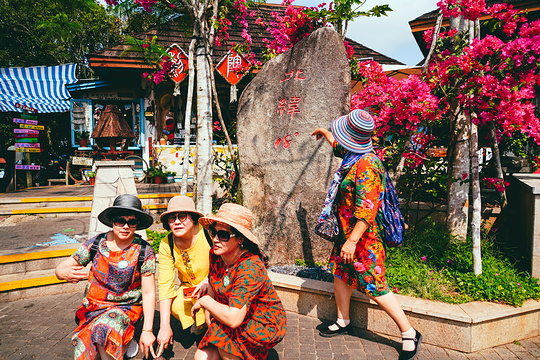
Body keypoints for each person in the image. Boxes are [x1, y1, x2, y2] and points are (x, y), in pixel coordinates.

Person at [312, 109, 422, 360]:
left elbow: (367, 210)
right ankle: (343, 320)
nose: (339, 142)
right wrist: (325, 133)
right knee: (340, 274)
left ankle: (409, 332)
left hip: (364, 239)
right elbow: (339, 147)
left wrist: (351, 242)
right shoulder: (354, 155)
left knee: (374, 284)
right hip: (347, 233)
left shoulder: (367, 166)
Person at [55, 194, 157, 360]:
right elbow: (64, 266)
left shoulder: (144, 251)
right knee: (83, 351)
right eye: (119, 220)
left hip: (125, 308)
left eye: (132, 221)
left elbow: (148, 293)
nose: (125, 226)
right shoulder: (96, 243)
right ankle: (123, 341)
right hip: (93, 309)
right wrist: (60, 272)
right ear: (112, 221)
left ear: (137, 224)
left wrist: (147, 330)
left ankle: (121, 337)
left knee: (103, 330)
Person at [191, 203, 287, 360]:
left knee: (226, 351)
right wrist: (210, 320)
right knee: (201, 357)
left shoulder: (250, 267)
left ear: (240, 239)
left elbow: (233, 319)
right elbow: (213, 285)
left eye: (223, 235)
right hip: (232, 312)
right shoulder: (216, 254)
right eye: (213, 232)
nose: (215, 239)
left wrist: (205, 302)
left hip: (261, 322)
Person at [155, 195, 211, 359]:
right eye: (172, 218)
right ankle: (200, 325)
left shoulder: (207, 234)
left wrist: (208, 281)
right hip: (189, 288)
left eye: (182, 216)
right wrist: (165, 326)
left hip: (214, 282)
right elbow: (165, 284)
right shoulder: (167, 243)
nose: (177, 222)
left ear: (193, 219)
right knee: (176, 304)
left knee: (212, 306)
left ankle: (212, 328)